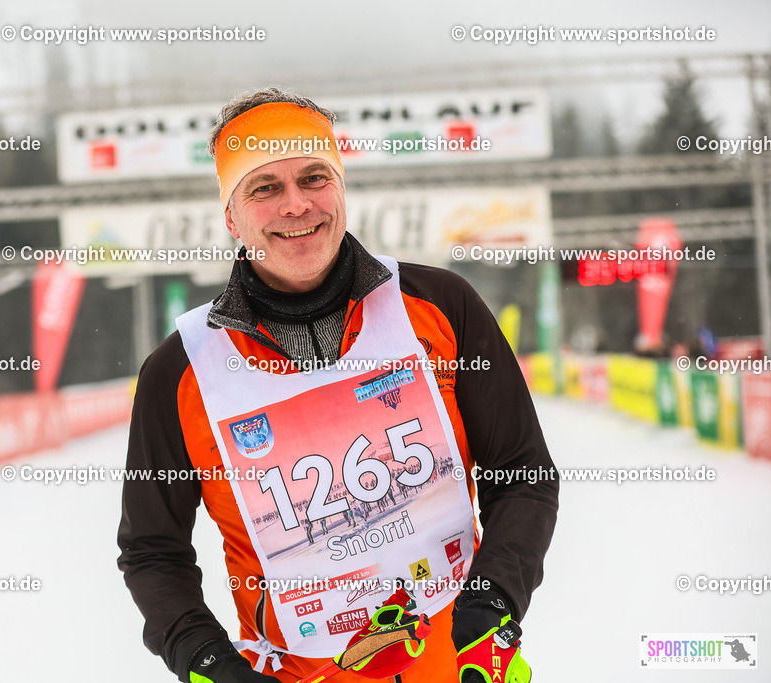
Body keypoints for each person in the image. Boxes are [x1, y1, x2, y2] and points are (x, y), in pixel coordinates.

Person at [117, 87, 558, 683]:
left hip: (460, 667)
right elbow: (153, 550)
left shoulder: (441, 306)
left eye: (314, 177)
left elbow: (522, 474)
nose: (296, 204)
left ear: (341, 188)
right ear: (231, 216)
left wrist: (492, 608)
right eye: (264, 187)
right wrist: (206, 661)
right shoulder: (179, 373)